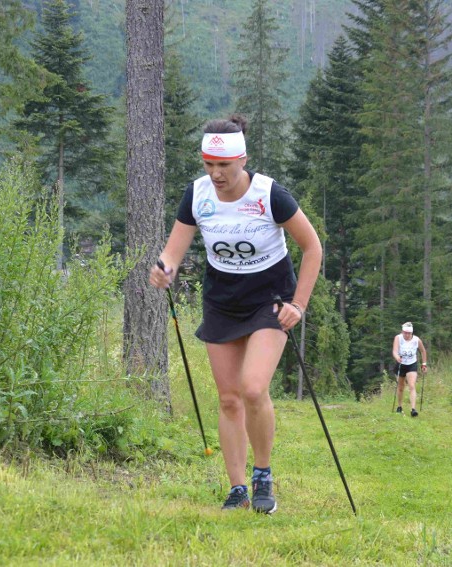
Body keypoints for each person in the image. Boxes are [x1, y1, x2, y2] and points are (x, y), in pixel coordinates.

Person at [149, 115, 322, 514]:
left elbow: (312, 248)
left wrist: (299, 304)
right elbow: (173, 252)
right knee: (229, 399)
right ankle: (237, 488)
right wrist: (165, 269)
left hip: (270, 300)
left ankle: (263, 475)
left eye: (223, 165)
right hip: (222, 301)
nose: (215, 173)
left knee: (253, 388)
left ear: (242, 160)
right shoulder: (196, 195)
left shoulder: (270, 195)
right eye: (208, 164)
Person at [392, 322, 428, 417]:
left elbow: (423, 351)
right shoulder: (398, 338)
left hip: (412, 364)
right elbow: (395, 351)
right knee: (401, 387)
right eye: (405, 333)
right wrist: (397, 357)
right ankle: (399, 407)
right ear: (402, 332)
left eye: (409, 333)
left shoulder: (416, 340)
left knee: (412, 385)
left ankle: (413, 409)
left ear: (412, 333)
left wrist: (424, 364)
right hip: (401, 364)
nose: (407, 335)